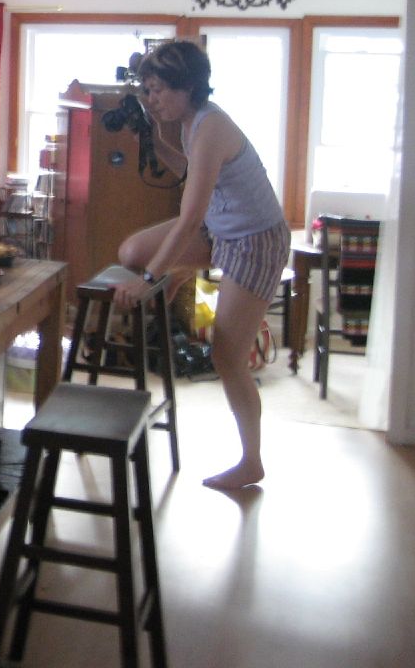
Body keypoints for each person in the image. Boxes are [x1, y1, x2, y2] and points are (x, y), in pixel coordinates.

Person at [110, 40, 289, 491]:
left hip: (255, 241)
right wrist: (150, 134)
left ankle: (252, 461)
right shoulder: (190, 123)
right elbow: (190, 171)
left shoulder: (211, 126)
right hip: (221, 228)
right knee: (132, 250)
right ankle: (179, 272)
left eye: (158, 91)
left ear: (187, 87)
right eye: (147, 91)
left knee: (227, 354)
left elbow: (190, 216)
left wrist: (152, 279)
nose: (152, 99)